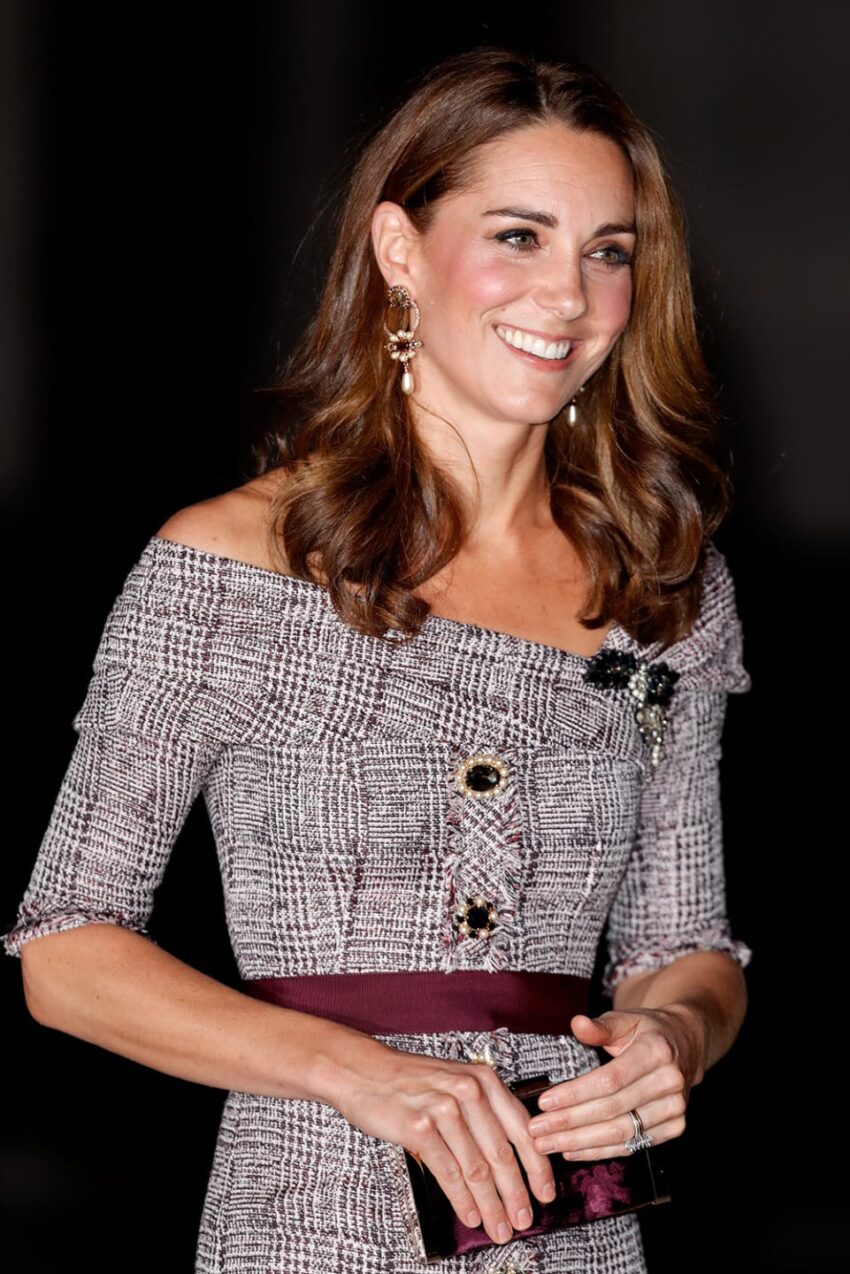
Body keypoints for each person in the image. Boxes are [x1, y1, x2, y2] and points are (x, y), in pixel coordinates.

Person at [4, 45, 753, 1274]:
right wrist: (359, 1073)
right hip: (308, 1212)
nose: (564, 296)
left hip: (584, 1226)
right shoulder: (228, 560)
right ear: (401, 252)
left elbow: (692, 942)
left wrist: (673, 1032)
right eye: (517, 235)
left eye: (606, 251)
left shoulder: (666, 580)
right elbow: (67, 950)